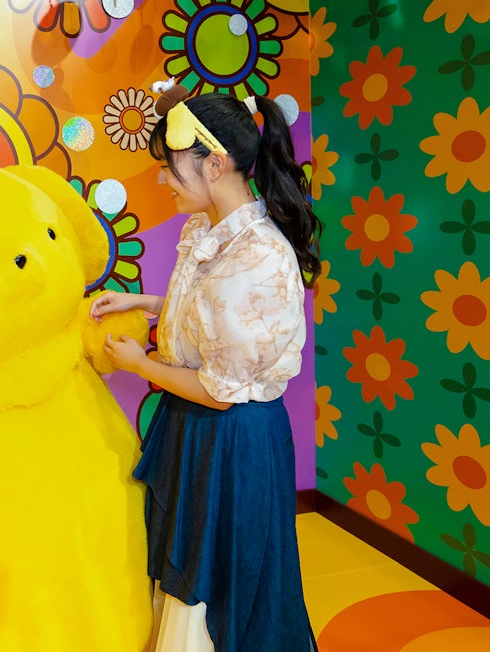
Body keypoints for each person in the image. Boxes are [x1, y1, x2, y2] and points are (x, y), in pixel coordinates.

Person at [90, 82, 321, 652]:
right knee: (191, 571)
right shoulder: (208, 230)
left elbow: (219, 389)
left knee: (221, 588)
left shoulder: (258, 256)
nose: (163, 180)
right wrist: (143, 304)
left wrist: (138, 363)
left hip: (231, 438)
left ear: (214, 163)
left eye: (171, 168)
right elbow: (209, 324)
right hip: (198, 428)